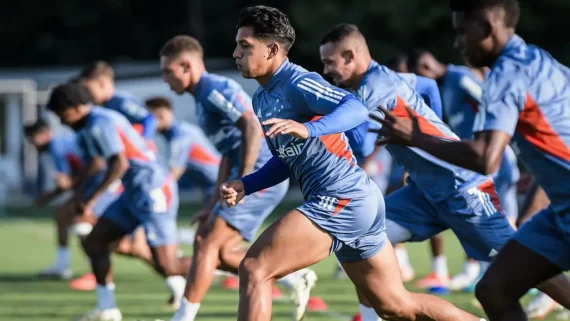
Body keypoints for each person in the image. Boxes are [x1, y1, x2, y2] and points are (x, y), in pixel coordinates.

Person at [221, 6, 486, 321]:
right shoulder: (262, 99)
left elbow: (355, 108)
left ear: (273, 50)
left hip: (342, 198)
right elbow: (285, 160)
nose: (236, 53)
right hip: (354, 202)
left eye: (245, 45)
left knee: (255, 267)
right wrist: (247, 184)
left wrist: (309, 128)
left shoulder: (298, 82)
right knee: (394, 305)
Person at [374, 0, 570, 320]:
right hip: (558, 206)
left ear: (488, 27)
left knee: (497, 287)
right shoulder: (539, 59)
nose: (458, 42)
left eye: (463, 32)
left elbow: (485, 158)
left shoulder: (505, 74)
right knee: (493, 289)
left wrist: (415, 137)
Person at [319, 22, 514, 321]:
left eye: (329, 63)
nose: (326, 71)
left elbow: (362, 144)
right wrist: (429, 134)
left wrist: (320, 124)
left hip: (462, 187)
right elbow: (428, 86)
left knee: (520, 262)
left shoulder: (371, 89)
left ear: (350, 56)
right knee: (358, 238)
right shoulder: (387, 76)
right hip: (424, 191)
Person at [159, 34, 316, 321]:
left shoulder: (212, 88)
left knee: (206, 242)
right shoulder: (200, 98)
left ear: (186, 66)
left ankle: (181, 318)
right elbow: (228, 152)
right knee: (214, 251)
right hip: (245, 174)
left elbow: (251, 126)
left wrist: (244, 182)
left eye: (168, 72)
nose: (165, 80)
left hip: (261, 174)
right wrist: (211, 203)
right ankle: (292, 278)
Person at [46, 83, 190, 321]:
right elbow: (95, 165)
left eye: (63, 115)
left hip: (153, 189)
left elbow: (119, 164)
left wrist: (91, 199)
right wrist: (80, 194)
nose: (62, 122)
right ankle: (108, 309)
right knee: (95, 241)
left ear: (77, 107)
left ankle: (234, 263)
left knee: (168, 264)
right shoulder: (90, 125)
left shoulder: (101, 121)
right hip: (133, 192)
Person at [407, 49, 521, 292]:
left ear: (427, 64)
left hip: (493, 157)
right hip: (472, 160)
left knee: (499, 218)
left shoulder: (459, 77)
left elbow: (489, 99)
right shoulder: (444, 86)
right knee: (482, 215)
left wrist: (500, 139)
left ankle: (524, 274)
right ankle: (484, 272)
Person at [24, 120, 124, 282]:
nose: (32, 143)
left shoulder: (57, 147)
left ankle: (95, 272)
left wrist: (48, 196)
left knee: (85, 225)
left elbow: (90, 168)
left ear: (45, 134)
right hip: (95, 186)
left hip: (105, 186)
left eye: (33, 138)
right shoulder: (60, 146)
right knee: (65, 216)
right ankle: (66, 266)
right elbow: (73, 180)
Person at [145, 97, 220, 201]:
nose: (147, 124)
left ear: (161, 115)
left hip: (219, 186)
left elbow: (175, 171)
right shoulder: (180, 130)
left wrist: (157, 193)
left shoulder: (179, 135)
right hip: (213, 186)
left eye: (149, 119)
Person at [78, 61, 157, 141]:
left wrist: (143, 141)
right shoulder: (99, 106)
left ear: (103, 83)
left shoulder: (120, 102)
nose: (85, 94)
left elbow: (149, 119)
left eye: (87, 89)